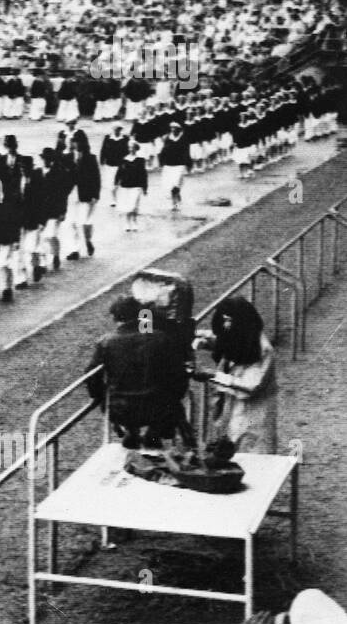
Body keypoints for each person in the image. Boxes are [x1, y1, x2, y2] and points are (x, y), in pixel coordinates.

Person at [85, 296, 192, 450]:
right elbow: (179, 376)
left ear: (115, 318)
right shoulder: (160, 338)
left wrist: (101, 399)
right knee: (166, 398)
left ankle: (132, 431)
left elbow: (91, 376)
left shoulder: (106, 342)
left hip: (120, 409)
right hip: (158, 409)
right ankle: (154, 433)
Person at [192, 297, 278, 454]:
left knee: (253, 461)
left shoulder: (263, 350)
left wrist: (213, 375)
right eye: (223, 320)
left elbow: (252, 385)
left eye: (229, 320)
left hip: (254, 417)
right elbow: (222, 340)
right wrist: (200, 338)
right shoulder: (239, 337)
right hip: (232, 414)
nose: (226, 325)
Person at [67, 136, 101, 259]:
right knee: (72, 222)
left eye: (78, 143)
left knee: (84, 222)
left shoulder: (91, 158)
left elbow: (96, 177)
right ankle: (74, 249)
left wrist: (95, 195)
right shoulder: (69, 157)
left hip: (86, 194)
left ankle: (88, 240)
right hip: (72, 194)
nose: (76, 145)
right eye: (74, 143)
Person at [114, 140, 148, 231]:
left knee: (133, 205)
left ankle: (134, 221)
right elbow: (119, 172)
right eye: (129, 147)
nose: (131, 149)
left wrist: (144, 187)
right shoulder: (124, 160)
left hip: (136, 186)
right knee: (126, 206)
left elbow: (143, 174)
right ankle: (127, 223)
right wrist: (116, 183)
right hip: (125, 186)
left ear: (136, 149)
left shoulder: (140, 160)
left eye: (133, 147)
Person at [159, 120, 190, 211]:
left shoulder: (183, 139)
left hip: (179, 165)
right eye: (172, 129)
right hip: (169, 165)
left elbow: (186, 152)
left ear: (179, 130)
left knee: (176, 184)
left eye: (175, 129)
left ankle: (174, 203)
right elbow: (163, 151)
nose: (173, 130)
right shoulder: (167, 138)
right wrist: (161, 162)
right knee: (171, 185)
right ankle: (175, 200)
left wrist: (188, 163)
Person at [99, 124, 129, 208]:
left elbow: (127, 151)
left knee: (119, 182)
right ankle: (112, 199)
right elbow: (103, 150)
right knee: (110, 183)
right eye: (116, 129)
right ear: (113, 129)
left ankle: (120, 198)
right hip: (109, 164)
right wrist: (102, 161)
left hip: (121, 165)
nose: (117, 131)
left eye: (119, 129)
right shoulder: (108, 138)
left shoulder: (125, 138)